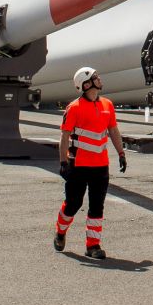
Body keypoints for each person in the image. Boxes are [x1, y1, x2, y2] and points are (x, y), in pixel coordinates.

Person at [55, 66, 127, 258]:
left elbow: (113, 130)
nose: (99, 79)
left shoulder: (108, 105)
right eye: (96, 77)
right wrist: (63, 162)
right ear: (86, 84)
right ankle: (60, 232)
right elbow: (65, 136)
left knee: (97, 206)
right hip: (78, 166)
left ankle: (93, 246)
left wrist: (121, 153)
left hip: (101, 167)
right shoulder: (74, 108)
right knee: (73, 204)